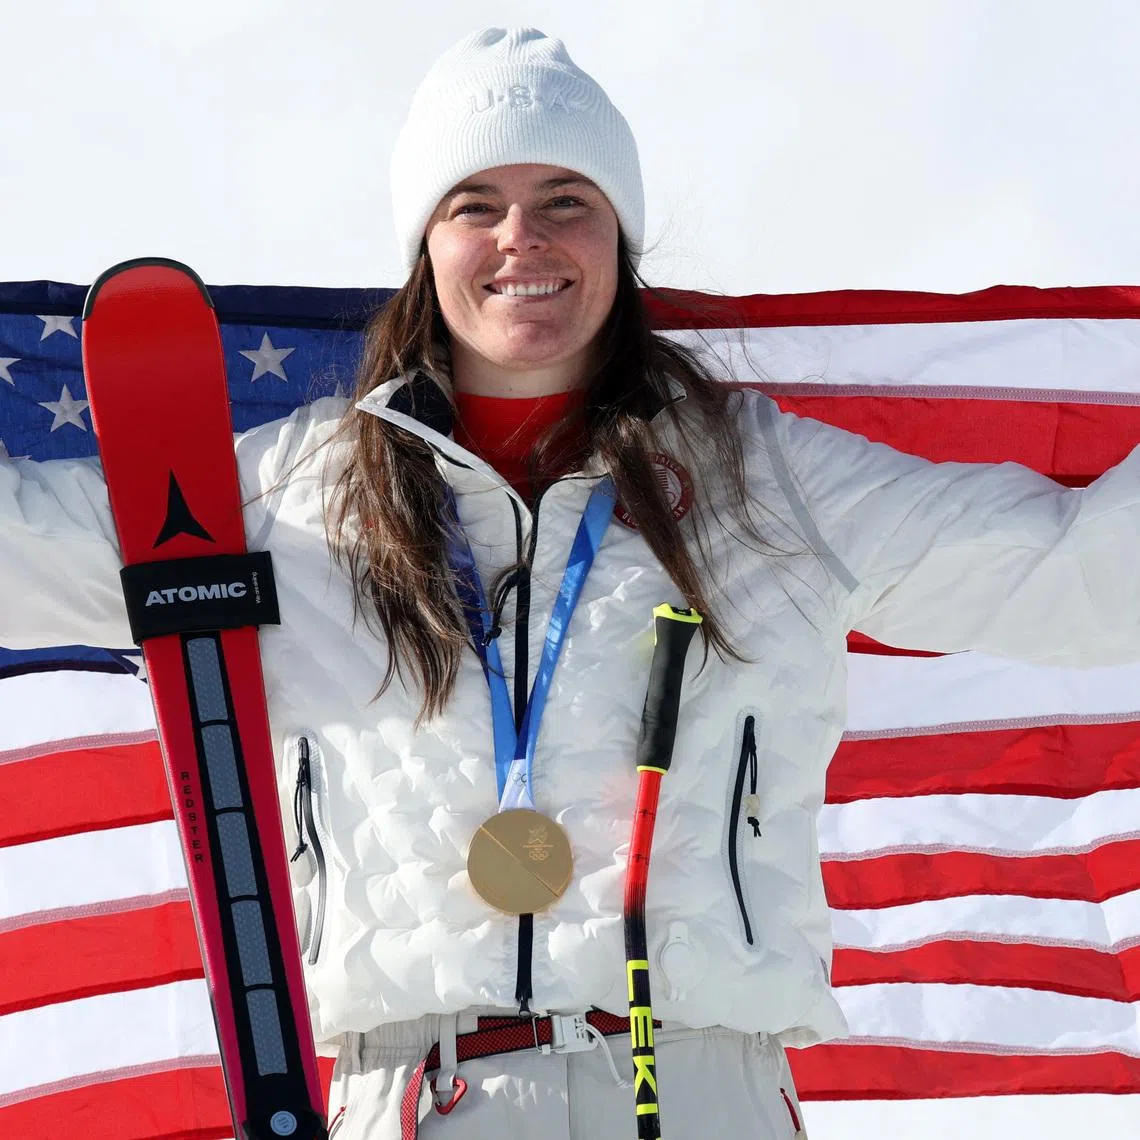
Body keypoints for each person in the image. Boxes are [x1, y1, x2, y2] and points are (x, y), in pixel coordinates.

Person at [6, 24, 1140, 1140]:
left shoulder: (769, 481)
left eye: (564, 199)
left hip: (703, 1093)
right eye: (474, 205)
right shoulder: (287, 495)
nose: (521, 238)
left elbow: (1082, 579)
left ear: (619, 234)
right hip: (414, 1093)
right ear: (425, 245)